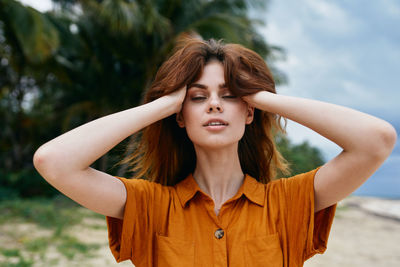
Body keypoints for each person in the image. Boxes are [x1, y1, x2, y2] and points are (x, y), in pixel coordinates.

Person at [33, 38, 397, 267]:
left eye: (228, 95)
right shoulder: (150, 206)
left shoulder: (289, 204)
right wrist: (165, 104)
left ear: (249, 112)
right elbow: (54, 161)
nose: (214, 106)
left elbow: (377, 139)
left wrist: (258, 95)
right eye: (198, 97)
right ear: (180, 115)